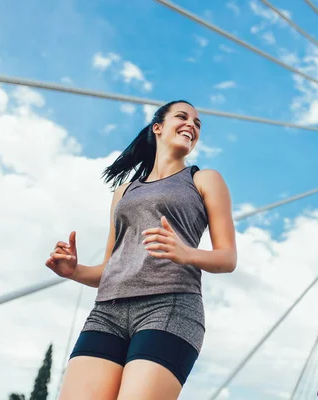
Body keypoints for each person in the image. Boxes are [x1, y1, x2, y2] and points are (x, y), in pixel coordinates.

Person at [45, 100, 237, 400]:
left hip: (169, 306)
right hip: (107, 310)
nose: (192, 125)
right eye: (183, 117)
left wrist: (186, 253)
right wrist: (74, 271)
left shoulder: (204, 179)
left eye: (198, 124)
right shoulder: (125, 191)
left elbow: (227, 258)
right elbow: (111, 266)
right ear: (157, 127)